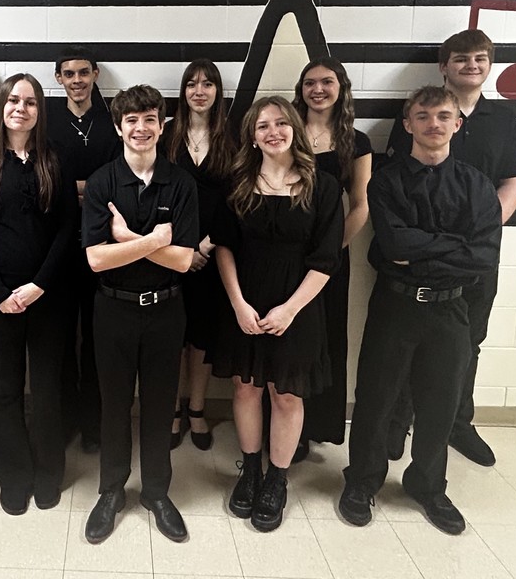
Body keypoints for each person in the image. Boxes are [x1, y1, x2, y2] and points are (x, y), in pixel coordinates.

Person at [340, 85, 502, 535]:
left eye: (443, 115)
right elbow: (393, 245)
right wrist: (455, 246)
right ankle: (362, 480)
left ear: (457, 123)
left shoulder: (477, 185)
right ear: (408, 124)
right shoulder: (386, 180)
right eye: (424, 116)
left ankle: (428, 485)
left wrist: (426, 250)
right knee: (376, 397)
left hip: (451, 312)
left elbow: (483, 256)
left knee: (440, 404)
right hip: (396, 304)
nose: (434, 123)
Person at [385, 30, 516, 467]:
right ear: (444, 66)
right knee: (409, 341)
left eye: (480, 58)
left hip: (474, 257)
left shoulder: (504, 121)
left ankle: (457, 425)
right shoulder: (415, 112)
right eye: (461, 58)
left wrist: (479, 233)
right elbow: (396, 186)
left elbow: (513, 182)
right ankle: (398, 422)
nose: (471, 65)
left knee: (469, 341)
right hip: (417, 264)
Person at [213, 96, 343, 533]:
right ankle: (250, 470)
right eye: (263, 125)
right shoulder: (238, 182)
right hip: (245, 299)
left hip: (298, 305)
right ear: (252, 135)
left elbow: (326, 259)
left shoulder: (322, 185)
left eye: (281, 123)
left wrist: (290, 309)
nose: (273, 132)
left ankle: (277, 479)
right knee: (247, 388)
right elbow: (225, 246)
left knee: (286, 395)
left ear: (295, 129)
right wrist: (237, 303)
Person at [81, 85, 198, 545]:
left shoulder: (181, 183)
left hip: (167, 310)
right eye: (131, 120)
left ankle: (156, 493)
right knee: (113, 406)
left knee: (158, 405)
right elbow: (95, 260)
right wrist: (150, 241)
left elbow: (185, 260)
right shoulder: (102, 182)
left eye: (150, 118)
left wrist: (123, 239)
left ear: (162, 125)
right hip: (112, 309)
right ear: (118, 126)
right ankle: (111, 490)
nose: (141, 128)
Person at [0, 73, 77, 515]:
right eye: (13, 100)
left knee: (48, 387)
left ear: (39, 111)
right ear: (1, 107)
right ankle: (13, 475)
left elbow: (68, 227)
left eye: (30, 102)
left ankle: (49, 471)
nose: (21, 108)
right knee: (8, 386)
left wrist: (39, 285)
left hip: (49, 293)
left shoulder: (56, 157)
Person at [289, 57, 372, 460]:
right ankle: (287, 426)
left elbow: (360, 205)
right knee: (289, 341)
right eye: (309, 82)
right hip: (284, 256)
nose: (317, 89)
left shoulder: (357, 142)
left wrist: (327, 254)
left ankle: (316, 425)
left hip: (329, 259)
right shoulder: (285, 133)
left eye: (326, 81)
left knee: (324, 338)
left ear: (342, 87)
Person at [161, 59, 236, 451]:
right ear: (184, 91)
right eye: (192, 84)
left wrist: (205, 245)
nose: (200, 91)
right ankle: (172, 409)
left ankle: (197, 408)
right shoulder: (166, 136)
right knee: (173, 335)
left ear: (218, 91)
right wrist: (179, 249)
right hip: (169, 252)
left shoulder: (232, 137)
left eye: (208, 84)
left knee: (203, 335)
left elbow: (237, 200)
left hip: (212, 253)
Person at [47, 47, 119, 453]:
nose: (76, 80)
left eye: (83, 73)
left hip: (102, 244)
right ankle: (65, 420)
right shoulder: (47, 122)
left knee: (96, 340)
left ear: (94, 75)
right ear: (58, 79)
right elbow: (44, 180)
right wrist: (82, 189)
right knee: (58, 338)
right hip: (56, 245)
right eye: (68, 74)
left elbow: (114, 182)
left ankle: (94, 424)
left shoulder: (111, 123)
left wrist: (77, 190)